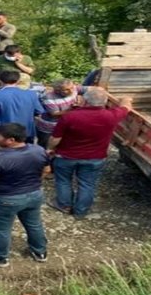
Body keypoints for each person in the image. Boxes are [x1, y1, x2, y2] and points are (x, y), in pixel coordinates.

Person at [47, 88, 134, 217]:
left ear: (85, 101)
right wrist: (126, 99)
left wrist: (50, 149)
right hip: (95, 158)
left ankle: (64, 205)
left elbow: (55, 138)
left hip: (66, 157)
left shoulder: (69, 116)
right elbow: (126, 107)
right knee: (87, 184)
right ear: (104, 102)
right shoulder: (112, 115)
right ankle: (81, 211)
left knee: (64, 181)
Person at [0, 123, 49, 266]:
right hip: (34, 194)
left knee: (1, 229)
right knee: (34, 224)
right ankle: (40, 252)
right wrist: (34, 183)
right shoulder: (39, 150)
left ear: (11, 140)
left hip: (5, 198)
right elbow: (47, 170)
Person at [0, 70, 43, 142]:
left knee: (3, 150)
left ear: (0, 81)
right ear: (18, 80)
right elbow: (39, 111)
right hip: (26, 132)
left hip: (4, 134)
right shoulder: (31, 94)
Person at [36, 79, 81, 149]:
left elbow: (91, 90)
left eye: (72, 88)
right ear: (57, 90)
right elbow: (54, 114)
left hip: (65, 125)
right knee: (46, 147)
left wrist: (80, 99)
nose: (71, 91)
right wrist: (72, 109)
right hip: (50, 128)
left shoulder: (73, 88)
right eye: (66, 90)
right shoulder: (49, 97)